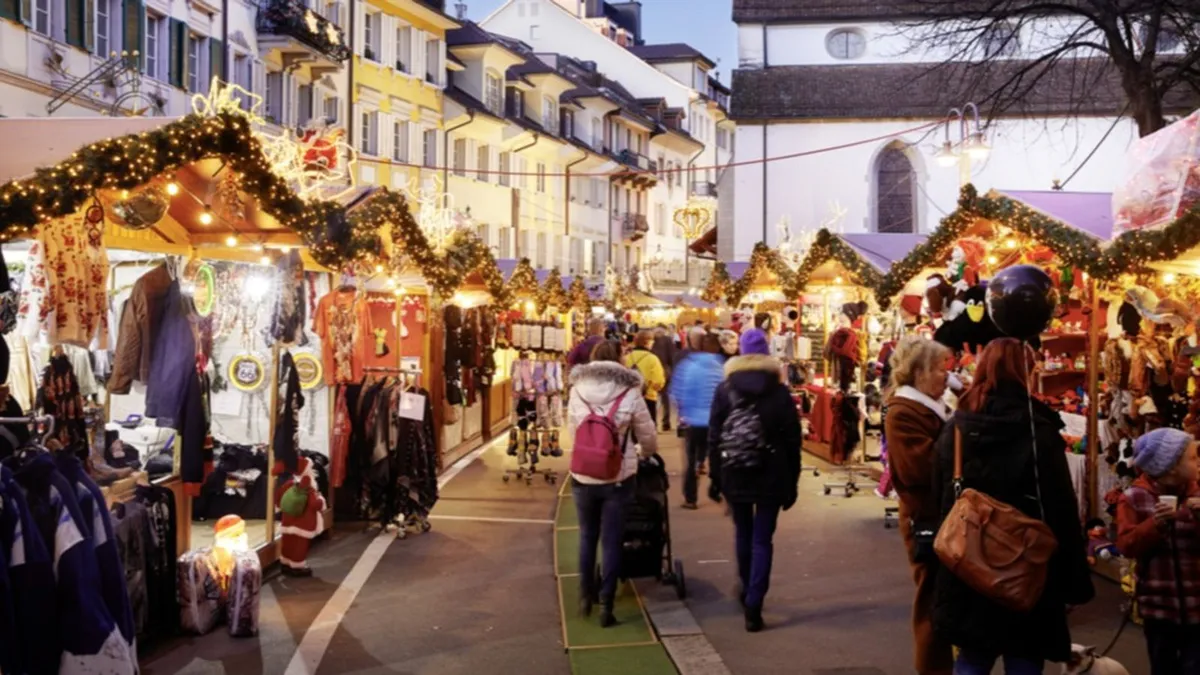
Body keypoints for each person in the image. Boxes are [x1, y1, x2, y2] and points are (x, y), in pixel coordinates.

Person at [931, 338, 1094, 673]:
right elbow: (1060, 508)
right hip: (1026, 565)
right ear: (1027, 373)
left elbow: (941, 496)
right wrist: (1072, 581)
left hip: (968, 559)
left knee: (973, 656)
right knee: (1024, 655)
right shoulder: (1038, 431)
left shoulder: (958, 426)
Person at [707, 328, 801, 633]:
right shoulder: (779, 391)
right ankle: (754, 603)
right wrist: (793, 480)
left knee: (743, 533)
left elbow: (715, 434)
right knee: (763, 539)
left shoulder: (725, 389)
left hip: (735, 470)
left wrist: (715, 476)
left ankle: (747, 587)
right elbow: (792, 440)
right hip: (772, 472)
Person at [568, 340, 658, 627]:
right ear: (619, 358)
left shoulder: (577, 390)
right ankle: (607, 603)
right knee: (611, 540)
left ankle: (585, 594)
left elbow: (573, 429)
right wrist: (647, 452)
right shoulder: (630, 390)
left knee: (586, 536)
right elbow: (647, 433)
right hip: (618, 476)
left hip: (583, 474)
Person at [883, 336, 954, 675]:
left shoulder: (929, 406)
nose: (945, 375)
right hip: (925, 518)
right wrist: (960, 437)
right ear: (919, 372)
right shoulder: (903, 412)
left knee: (942, 602)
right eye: (940, 368)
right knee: (931, 604)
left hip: (941, 516)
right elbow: (919, 467)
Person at [1115, 427, 1200, 673]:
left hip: (1197, 604)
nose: (1198, 462)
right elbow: (1126, 546)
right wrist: (1156, 524)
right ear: (1171, 466)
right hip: (1158, 607)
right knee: (1163, 666)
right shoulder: (1134, 497)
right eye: (1193, 457)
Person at [669, 332, 724, 510]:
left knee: (690, 458)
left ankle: (690, 498)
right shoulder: (721, 367)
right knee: (717, 455)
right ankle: (716, 486)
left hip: (693, 419)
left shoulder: (688, 366)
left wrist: (682, 412)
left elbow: (676, 392)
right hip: (715, 421)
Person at [626, 330, 666, 425]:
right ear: (647, 342)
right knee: (648, 426)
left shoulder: (627, 357)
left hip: (629, 397)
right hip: (648, 397)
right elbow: (658, 381)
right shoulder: (653, 358)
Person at [652, 325, 679, 431]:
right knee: (665, 398)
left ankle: (653, 423)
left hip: (652, 370)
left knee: (651, 398)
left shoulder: (651, 340)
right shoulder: (668, 340)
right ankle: (666, 422)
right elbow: (673, 356)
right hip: (664, 370)